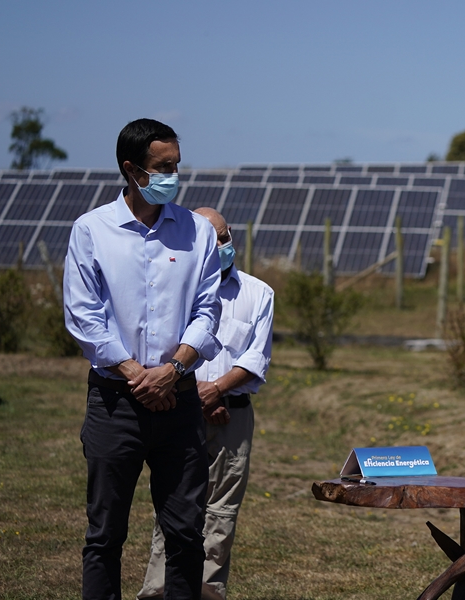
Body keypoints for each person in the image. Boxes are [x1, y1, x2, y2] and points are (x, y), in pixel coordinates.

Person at [64, 118, 222, 600]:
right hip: (115, 403)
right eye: (162, 167)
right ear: (132, 170)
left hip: (180, 403)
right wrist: (137, 375)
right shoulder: (92, 231)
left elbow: (207, 310)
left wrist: (172, 370)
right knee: (105, 534)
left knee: (185, 534)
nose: (173, 175)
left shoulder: (198, 232)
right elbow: (84, 316)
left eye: (176, 165)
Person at [137, 208, 274, 600]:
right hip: (179, 409)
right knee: (175, 508)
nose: (220, 245)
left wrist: (217, 391)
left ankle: (207, 592)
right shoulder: (171, 289)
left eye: (225, 236)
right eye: (210, 238)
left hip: (233, 415)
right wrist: (198, 394)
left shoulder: (258, 293)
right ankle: (157, 592)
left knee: (220, 513)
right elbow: (162, 349)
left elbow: (255, 358)